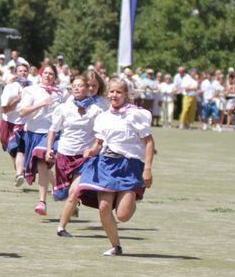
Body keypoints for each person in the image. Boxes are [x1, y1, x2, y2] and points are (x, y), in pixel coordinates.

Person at [76, 78, 155, 256]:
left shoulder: (135, 115)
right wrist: (91, 151)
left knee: (123, 215)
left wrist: (147, 169)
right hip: (106, 163)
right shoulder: (103, 117)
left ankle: (134, 197)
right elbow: (99, 143)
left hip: (129, 165)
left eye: (119, 92)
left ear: (125, 94)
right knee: (104, 206)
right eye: (112, 91)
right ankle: (116, 246)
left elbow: (149, 143)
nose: (114, 95)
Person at [48, 76, 104, 237]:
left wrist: (93, 149)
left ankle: (61, 227)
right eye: (74, 86)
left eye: (80, 86)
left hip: (85, 158)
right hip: (65, 154)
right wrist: (49, 149)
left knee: (74, 192)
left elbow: (101, 134)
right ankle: (73, 206)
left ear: (88, 89)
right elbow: (53, 129)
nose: (77, 88)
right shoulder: (64, 108)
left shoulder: (96, 110)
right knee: (61, 194)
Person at [16, 64, 65, 216]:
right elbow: (23, 112)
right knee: (44, 167)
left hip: (51, 134)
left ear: (55, 77)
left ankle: (42, 202)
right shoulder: (31, 90)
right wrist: (42, 103)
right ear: (40, 74)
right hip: (33, 133)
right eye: (46, 73)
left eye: (51, 74)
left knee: (43, 161)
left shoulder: (61, 94)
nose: (48, 76)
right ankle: (61, 190)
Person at [0, 63, 30, 185]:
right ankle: (19, 171)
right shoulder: (11, 87)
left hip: (22, 124)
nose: (23, 73)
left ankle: (19, 174)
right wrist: (17, 99)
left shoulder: (30, 88)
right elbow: (5, 109)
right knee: (12, 150)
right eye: (20, 71)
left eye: (25, 71)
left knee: (20, 149)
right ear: (16, 73)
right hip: (8, 123)